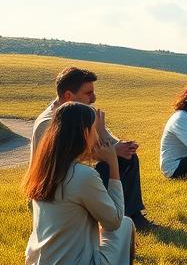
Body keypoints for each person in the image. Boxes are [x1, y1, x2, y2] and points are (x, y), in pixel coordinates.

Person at [23, 102, 143, 265]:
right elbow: (114, 221)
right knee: (125, 223)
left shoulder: (43, 169)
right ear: (85, 133)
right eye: (95, 130)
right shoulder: (82, 175)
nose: (97, 136)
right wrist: (113, 165)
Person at [32, 67, 151, 231]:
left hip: (78, 174)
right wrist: (111, 151)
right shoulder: (48, 123)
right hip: (56, 183)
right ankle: (118, 217)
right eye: (88, 93)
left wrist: (121, 146)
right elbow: (61, 161)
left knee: (127, 157)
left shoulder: (83, 113)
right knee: (108, 165)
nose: (94, 98)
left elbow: (105, 140)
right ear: (68, 96)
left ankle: (133, 215)